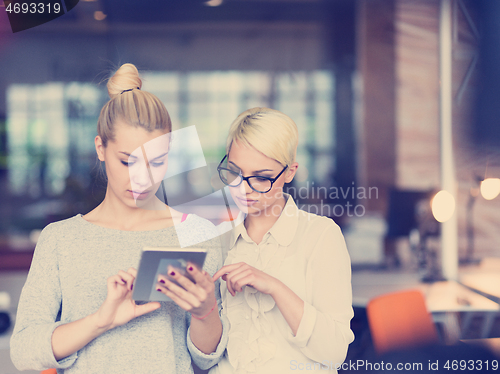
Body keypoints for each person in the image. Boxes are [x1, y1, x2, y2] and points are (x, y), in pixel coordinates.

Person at [10, 63, 227, 373]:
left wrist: (206, 312)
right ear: (101, 148)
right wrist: (100, 321)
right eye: (127, 161)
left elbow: (207, 359)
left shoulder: (197, 233)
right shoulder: (61, 239)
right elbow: (24, 351)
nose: (142, 178)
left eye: (157, 161)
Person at [210, 107, 354, 373]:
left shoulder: (321, 235)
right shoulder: (218, 239)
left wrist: (275, 287)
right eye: (234, 173)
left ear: (289, 173)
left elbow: (335, 354)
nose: (244, 189)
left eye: (262, 178)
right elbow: (208, 353)